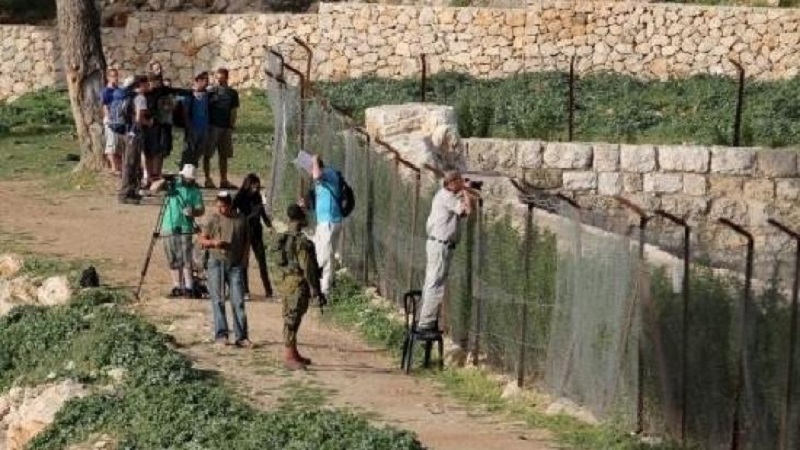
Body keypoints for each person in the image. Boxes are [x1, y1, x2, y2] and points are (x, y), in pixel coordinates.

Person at [416, 170, 474, 333]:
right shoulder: (447, 197)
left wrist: (462, 192)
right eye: (460, 181)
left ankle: (424, 319)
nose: (462, 183)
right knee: (435, 283)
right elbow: (466, 211)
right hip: (441, 245)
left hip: (437, 244)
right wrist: (466, 192)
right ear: (452, 183)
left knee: (431, 281)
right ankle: (426, 323)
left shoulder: (445, 195)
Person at [198, 191, 252, 348]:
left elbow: (247, 242)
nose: (221, 209)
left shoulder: (241, 219)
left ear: (230, 205)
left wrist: (244, 261)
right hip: (216, 262)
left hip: (235, 265)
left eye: (223, 206)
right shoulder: (213, 219)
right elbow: (202, 239)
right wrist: (213, 243)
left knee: (238, 301)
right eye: (218, 206)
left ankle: (241, 336)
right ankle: (221, 335)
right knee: (218, 300)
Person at [274, 204, 323, 370]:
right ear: (301, 219)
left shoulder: (284, 237)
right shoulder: (301, 242)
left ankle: (293, 353)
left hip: (286, 281)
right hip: (298, 283)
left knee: (292, 316)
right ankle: (289, 357)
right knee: (292, 319)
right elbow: (307, 267)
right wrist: (315, 289)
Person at [154, 164, 205, 298]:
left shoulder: (195, 190)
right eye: (188, 178)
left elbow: (201, 210)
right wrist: (164, 180)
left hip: (185, 227)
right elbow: (153, 189)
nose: (190, 181)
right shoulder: (172, 185)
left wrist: (193, 211)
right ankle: (177, 285)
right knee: (172, 257)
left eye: (191, 179)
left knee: (186, 258)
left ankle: (188, 286)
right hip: (169, 225)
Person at [233, 173, 273, 301]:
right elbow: (232, 211)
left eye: (257, 187)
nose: (256, 190)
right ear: (248, 185)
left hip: (256, 231)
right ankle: (245, 290)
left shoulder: (257, 197)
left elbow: (262, 212)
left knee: (262, 261)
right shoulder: (240, 196)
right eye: (254, 187)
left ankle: (268, 290)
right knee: (244, 262)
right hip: (244, 231)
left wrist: (268, 224)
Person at [310, 154, 343, 296]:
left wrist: (314, 160)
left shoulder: (328, 173)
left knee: (325, 255)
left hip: (329, 221)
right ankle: (327, 284)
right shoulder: (324, 177)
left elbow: (316, 175)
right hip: (324, 221)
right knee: (323, 253)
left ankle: (325, 291)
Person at [119, 75, 152, 205]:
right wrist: (148, 122)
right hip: (134, 133)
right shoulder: (140, 98)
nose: (148, 86)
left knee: (130, 162)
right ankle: (126, 193)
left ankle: (131, 191)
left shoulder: (128, 96)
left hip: (125, 133)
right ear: (141, 85)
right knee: (131, 163)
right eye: (146, 84)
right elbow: (139, 119)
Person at [206, 68, 239, 189]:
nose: (219, 81)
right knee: (208, 154)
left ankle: (223, 180)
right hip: (213, 126)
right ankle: (207, 178)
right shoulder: (211, 92)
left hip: (226, 127)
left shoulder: (232, 93)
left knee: (224, 155)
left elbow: (234, 110)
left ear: (227, 78)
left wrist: (232, 124)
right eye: (217, 78)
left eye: (222, 78)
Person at [179, 72, 211, 171]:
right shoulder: (189, 95)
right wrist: (189, 127)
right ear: (198, 81)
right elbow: (185, 113)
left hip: (204, 128)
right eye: (205, 80)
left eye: (207, 80)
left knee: (199, 151)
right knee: (188, 151)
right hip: (193, 128)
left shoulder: (207, 95)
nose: (207, 83)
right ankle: (183, 172)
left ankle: (192, 172)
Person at [101, 68, 122, 175]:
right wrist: (109, 118)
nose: (115, 78)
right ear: (108, 77)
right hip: (111, 120)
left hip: (119, 119)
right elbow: (105, 106)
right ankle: (113, 167)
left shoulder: (119, 90)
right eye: (113, 76)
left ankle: (119, 166)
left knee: (118, 144)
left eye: (116, 75)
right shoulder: (106, 91)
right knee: (111, 143)